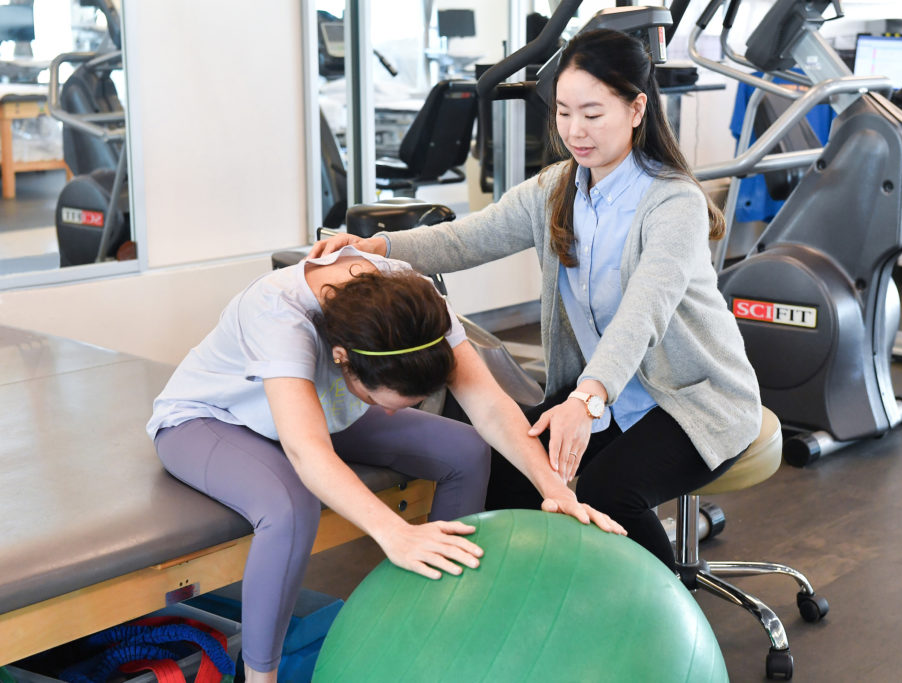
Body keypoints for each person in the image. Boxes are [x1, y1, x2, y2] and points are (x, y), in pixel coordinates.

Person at [310, 28, 763, 570]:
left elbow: (645, 312)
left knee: (606, 492)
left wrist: (586, 398)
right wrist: (375, 246)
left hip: (693, 398)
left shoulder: (672, 203)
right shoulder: (556, 188)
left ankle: (673, 632)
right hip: (607, 398)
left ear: (637, 108)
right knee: (507, 471)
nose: (575, 131)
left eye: (593, 114)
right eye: (564, 112)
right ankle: (532, 614)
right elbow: (465, 238)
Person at [147, 245, 624, 682]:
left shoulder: (413, 299)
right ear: (343, 360)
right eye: (389, 400)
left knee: (465, 450)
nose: (395, 414)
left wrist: (555, 486)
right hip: (211, 421)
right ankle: (258, 676)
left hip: (322, 413)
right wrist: (394, 533)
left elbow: (491, 406)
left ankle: (434, 625)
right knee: (291, 507)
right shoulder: (279, 313)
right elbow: (306, 452)